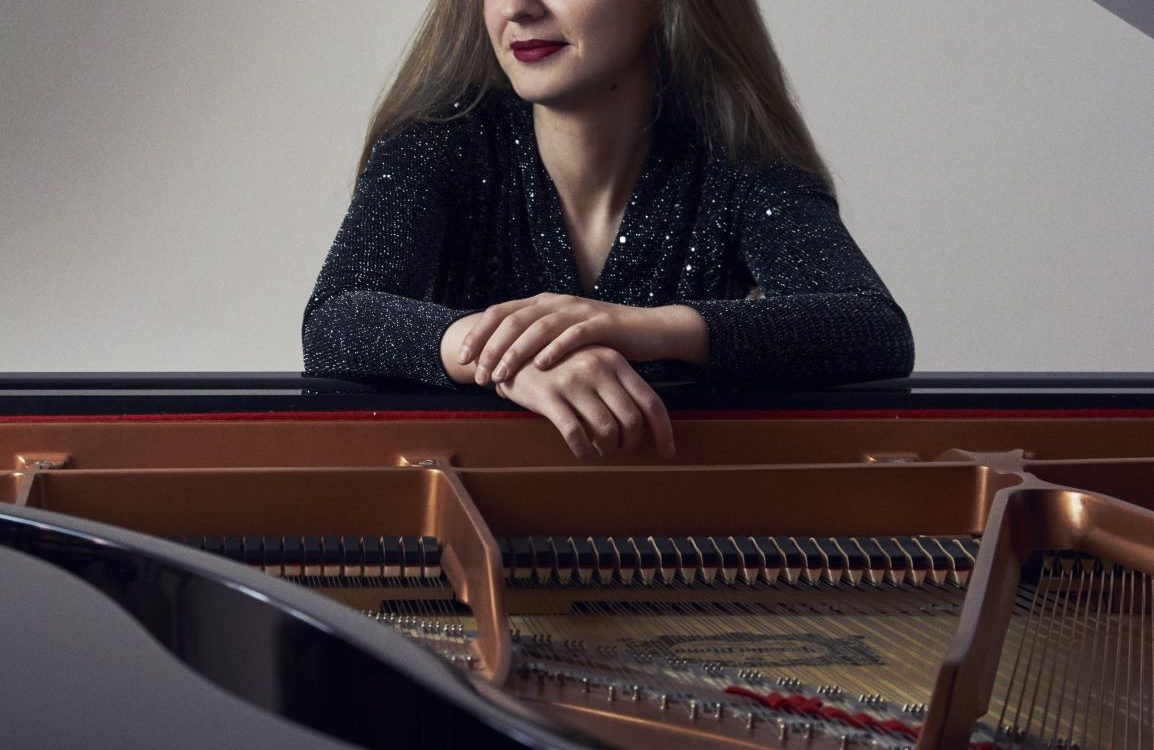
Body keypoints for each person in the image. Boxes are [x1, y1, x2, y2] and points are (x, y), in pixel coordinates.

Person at [303, 0, 914, 459]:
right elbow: (335, 318)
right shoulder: (438, 143)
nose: (517, 8)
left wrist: (642, 327)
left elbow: (873, 328)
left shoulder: (737, 159)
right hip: (478, 513)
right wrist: (508, 355)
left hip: (683, 533)